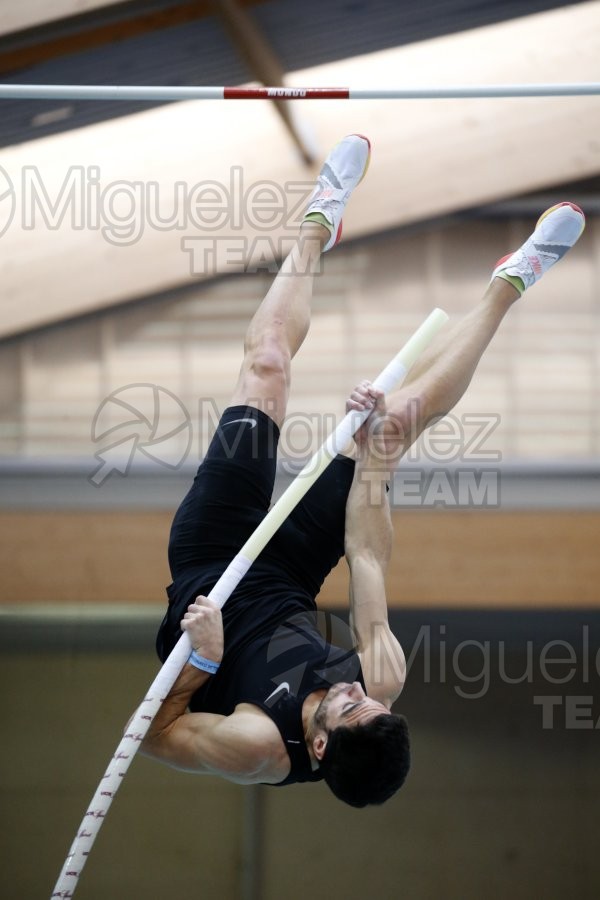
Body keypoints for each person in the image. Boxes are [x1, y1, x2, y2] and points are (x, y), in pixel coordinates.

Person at [141, 135, 585, 807]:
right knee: (399, 423)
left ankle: (313, 223)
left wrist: (202, 659)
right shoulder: (380, 679)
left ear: (318, 747)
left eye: (349, 707)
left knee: (266, 366)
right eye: (370, 703)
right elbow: (366, 553)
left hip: (209, 566)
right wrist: (372, 448)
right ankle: (506, 281)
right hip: (290, 572)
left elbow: (154, 734)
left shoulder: (259, 747)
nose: (357, 692)